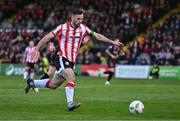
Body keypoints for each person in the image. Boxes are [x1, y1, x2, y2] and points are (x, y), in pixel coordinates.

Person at [25, 9, 124, 111]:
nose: (80, 21)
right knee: (71, 78)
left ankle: (32, 82)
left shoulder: (83, 28)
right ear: (72, 17)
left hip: (72, 61)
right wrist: (36, 49)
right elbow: (47, 37)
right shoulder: (62, 27)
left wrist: (112, 42)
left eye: (82, 19)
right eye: (78, 18)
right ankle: (70, 104)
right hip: (62, 58)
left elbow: (97, 36)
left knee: (53, 85)